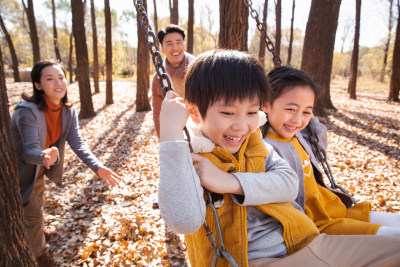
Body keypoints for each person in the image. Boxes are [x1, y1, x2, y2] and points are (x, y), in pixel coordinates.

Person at [158, 50, 400, 267]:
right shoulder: (189, 155)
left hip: (306, 239)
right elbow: (184, 222)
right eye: (227, 113)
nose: (241, 126)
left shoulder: (254, 141)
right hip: (254, 258)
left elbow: (288, 184)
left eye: (252, 112)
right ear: (194, 111)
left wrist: (230, 182)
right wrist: (170, 133)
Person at [262, 65, 400, 237]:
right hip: (318, 223)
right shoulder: (266, 148)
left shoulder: (296, 136)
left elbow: (319, 147)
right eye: (290, 109)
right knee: (394, 238)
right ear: (266, 104)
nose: (297, 120)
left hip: (336, 208)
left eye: (306, 111)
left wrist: (310, 119)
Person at [11, 60, 121, 267]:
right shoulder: (27, 111)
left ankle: (37, 231)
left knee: (37, 200)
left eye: (61, 78)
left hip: (41, 166)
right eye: (50, 79)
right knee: (31, 210)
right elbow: (29, 150)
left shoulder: (67, 110)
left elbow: (77, 143)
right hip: (22, 168)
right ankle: (42, 257)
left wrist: (98, 167)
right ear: (38, 85)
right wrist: (45, 157)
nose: (58, 83)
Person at [151, 24, 196, 137]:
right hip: (176, 131)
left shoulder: (200, 68)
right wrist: (164, 141)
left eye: (178, 42)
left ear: (184, 45)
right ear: (162, 49)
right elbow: (158, 113)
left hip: (204, 127)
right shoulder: (158, 78)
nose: (175, 47)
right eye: (169, 44)